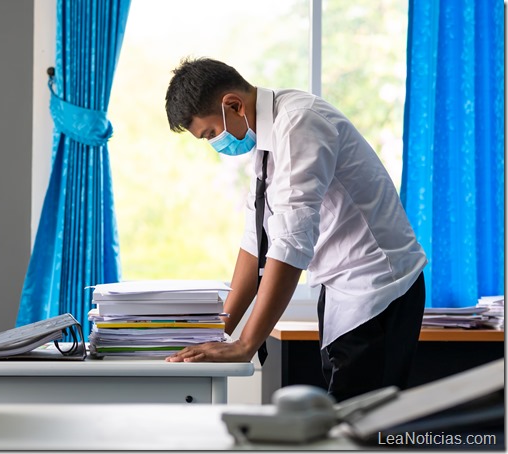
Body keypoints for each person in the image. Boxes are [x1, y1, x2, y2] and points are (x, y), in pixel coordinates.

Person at [163, 57, 427, 402]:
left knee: (362, 426)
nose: (216, 143)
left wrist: (246, 344)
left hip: (377, 289)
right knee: (344, 417)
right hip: (342, 288)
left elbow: (290, 240)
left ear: (233, 105)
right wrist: (220, 333)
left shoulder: (300, 122)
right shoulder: (268, 142)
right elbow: (255, 242)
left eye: (212, 133)